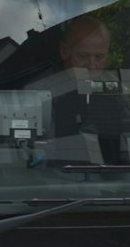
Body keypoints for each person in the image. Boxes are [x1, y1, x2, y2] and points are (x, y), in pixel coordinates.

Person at [50, 16, 125, 164]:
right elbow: (42, 150)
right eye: (83, 56)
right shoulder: (45, 91)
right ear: (64, 51)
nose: (91, 65)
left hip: (109, 171)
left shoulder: (112, 86)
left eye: (100, 57)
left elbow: (128, 134)